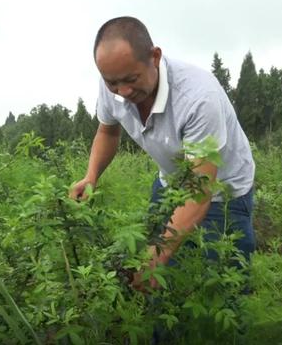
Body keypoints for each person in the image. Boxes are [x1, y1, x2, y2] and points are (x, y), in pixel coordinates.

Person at [69, 16, 256, 291]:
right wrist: (91, 176)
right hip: (170, 184)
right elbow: (108, 131)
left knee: (224, 285)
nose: (122, 92)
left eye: (131, 79)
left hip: (224, 192)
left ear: (155, 57)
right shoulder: (114, 84)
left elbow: (200, 190)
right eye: (112, 83)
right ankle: (165, 333)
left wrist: (158, 257)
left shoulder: (198, 98)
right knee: (163, 285)